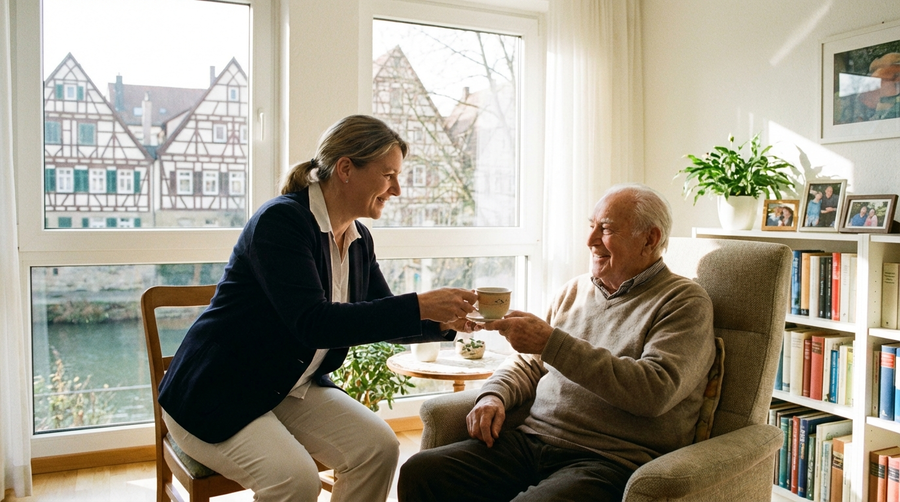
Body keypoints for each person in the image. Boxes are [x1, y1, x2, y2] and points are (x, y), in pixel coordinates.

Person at [157, 115, 478, 502]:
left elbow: (385, 316)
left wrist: (447, 321)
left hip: (285, 384)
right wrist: (420, 304)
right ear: (346, 168)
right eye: (388, 174)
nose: (396, 189)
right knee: (295, 480)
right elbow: (314, 324)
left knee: (378, 447)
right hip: (216, 390)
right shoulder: (281, 222)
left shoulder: (359, 240)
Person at [398, 183, 716, 502]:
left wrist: (552, 343)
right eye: (591, 227)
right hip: (531, 442)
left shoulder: (683, 302)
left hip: (607, 460)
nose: (590, 241)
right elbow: (528, 362)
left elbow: (654, 391)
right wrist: (493, 396)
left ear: (650, 238)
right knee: (421, 472)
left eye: (605, 229)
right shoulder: (574, 291)